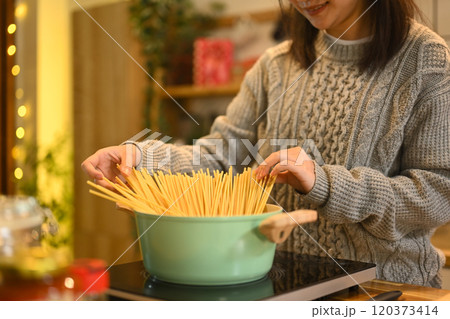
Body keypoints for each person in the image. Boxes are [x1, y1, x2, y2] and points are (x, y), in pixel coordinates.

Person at [82, 0, 450, 287]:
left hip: (387, 288)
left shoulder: (425, 59)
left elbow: (438, 192)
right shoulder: (274, 65)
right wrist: (142, 157)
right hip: (280, 284)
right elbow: (222, 158)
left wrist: (326, 185)